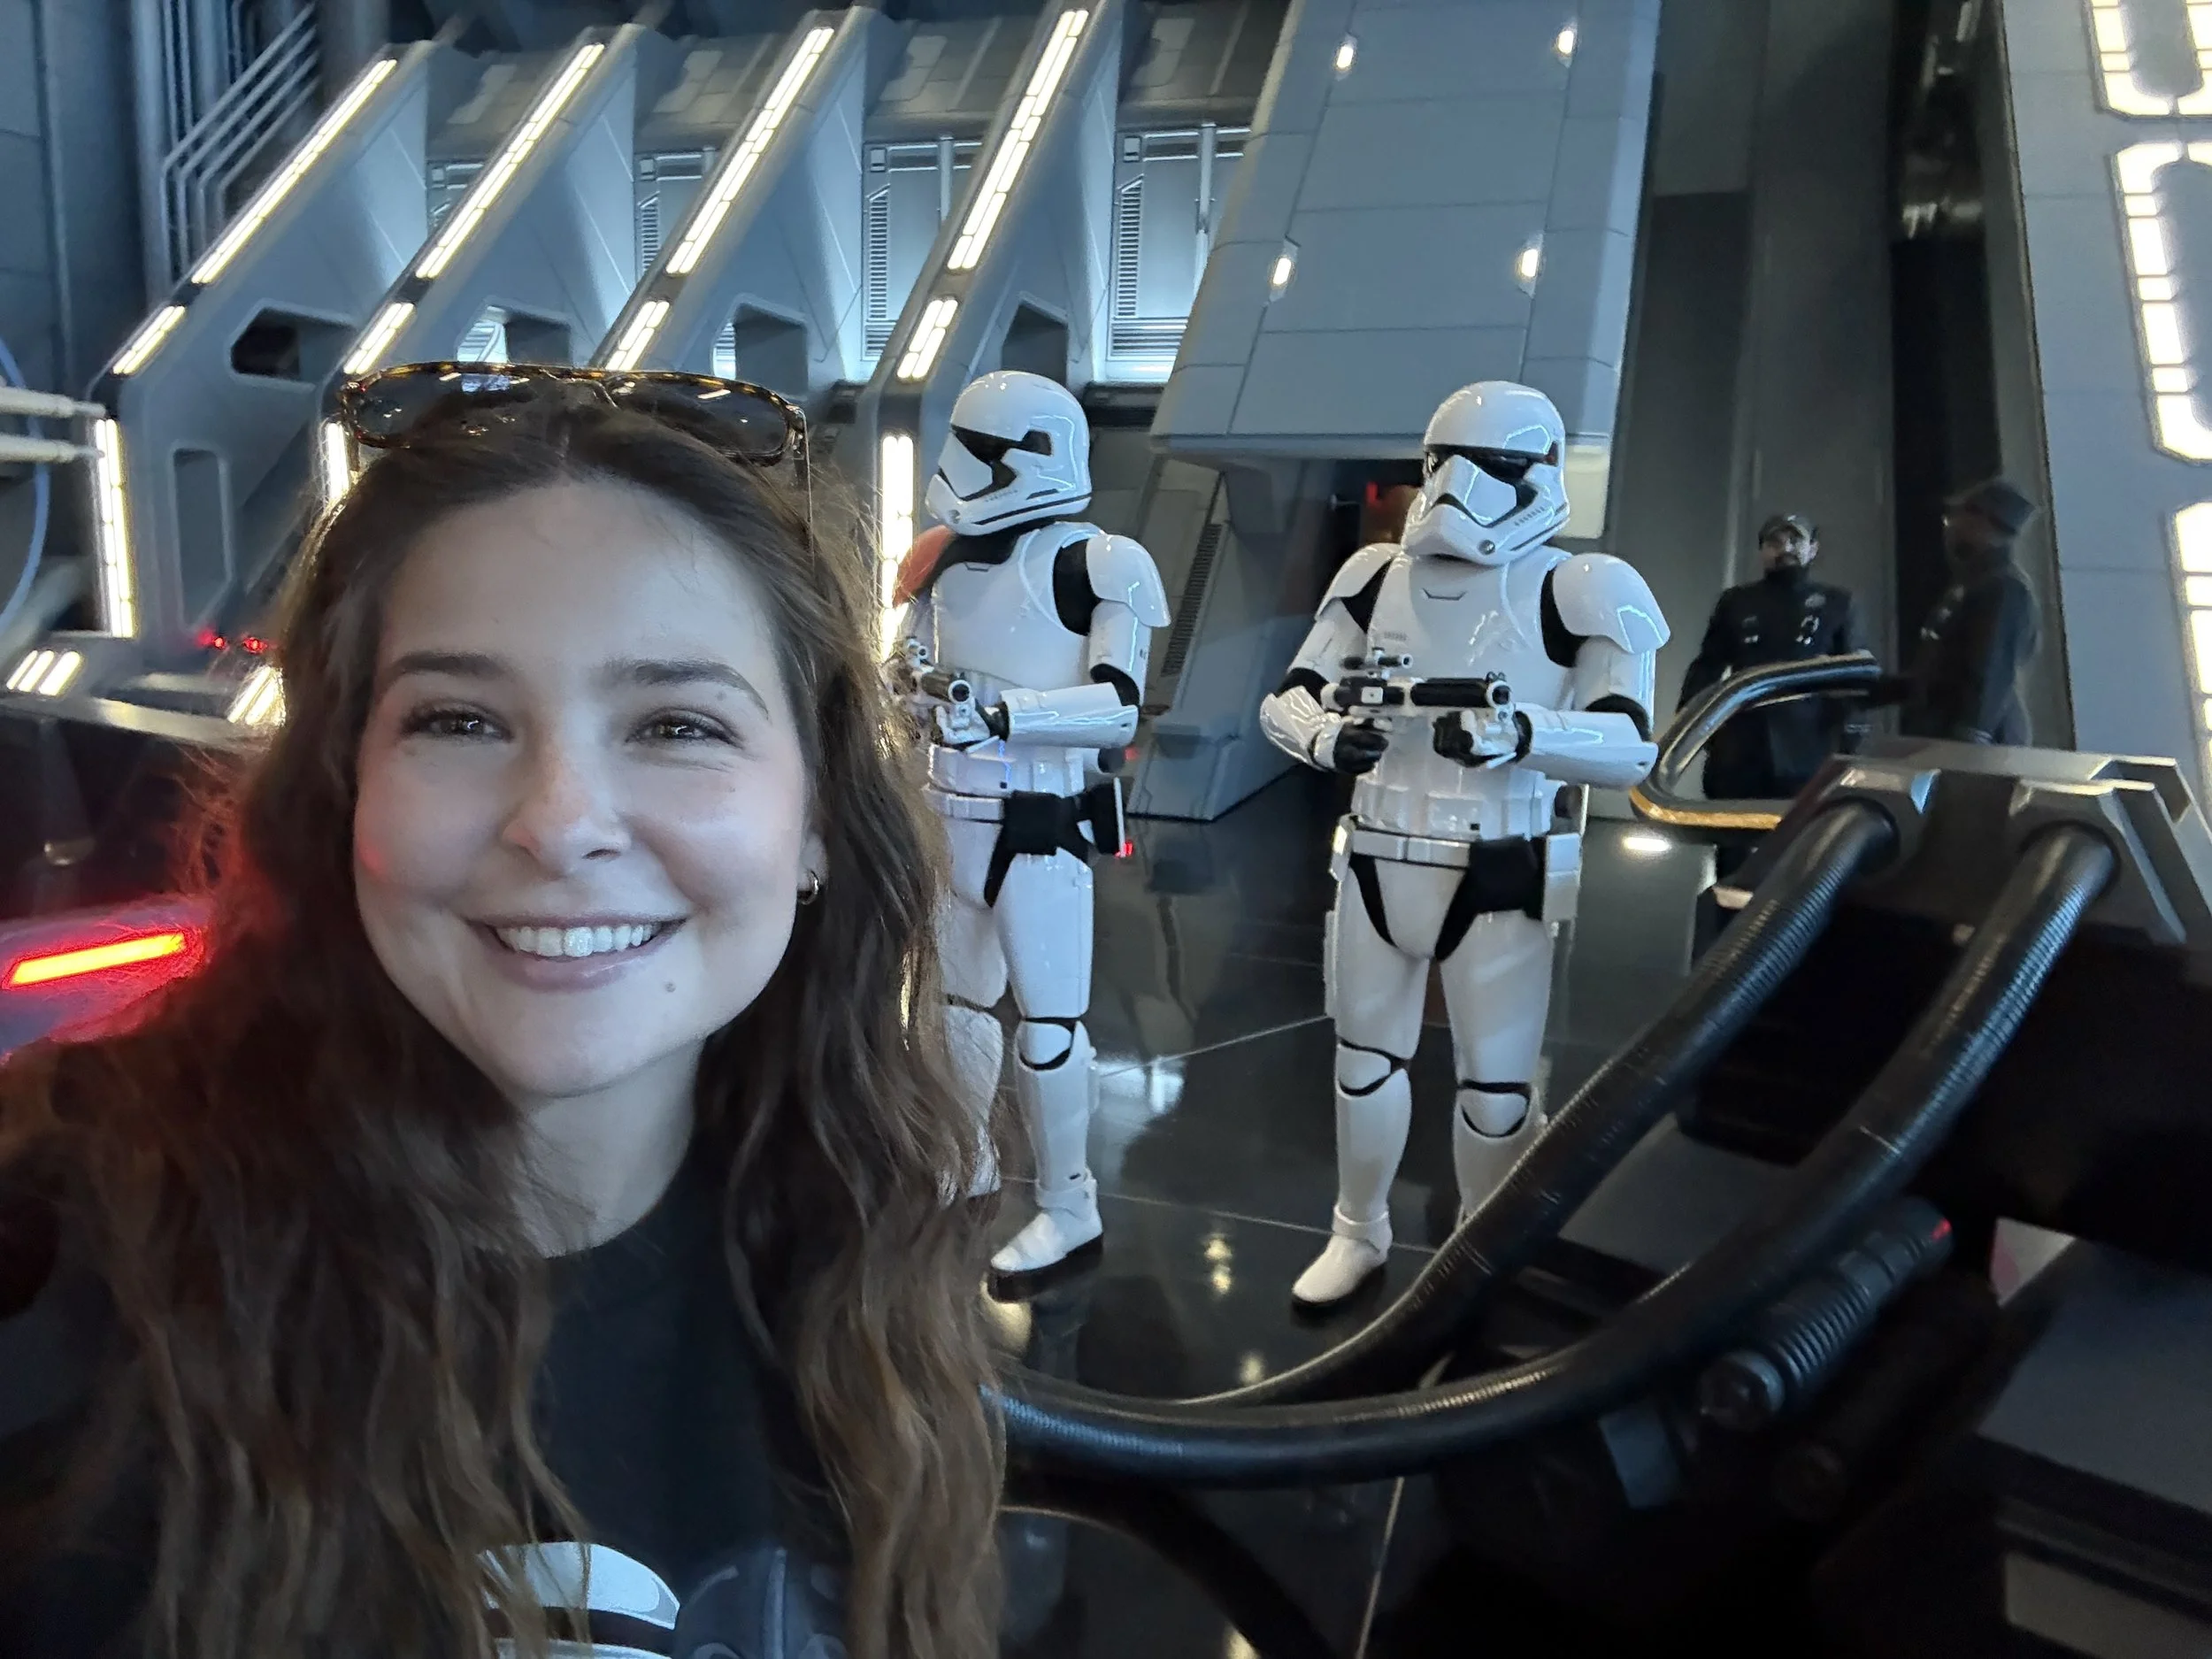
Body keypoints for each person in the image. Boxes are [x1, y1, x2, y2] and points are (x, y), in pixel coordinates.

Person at [0, 370, 1001, 1659]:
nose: (560, 820)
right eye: (460, 718)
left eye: (677, 721)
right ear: (342, 787)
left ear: (812, 818)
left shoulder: (867, 1243)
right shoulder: (68, 1244)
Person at [1258, 380, 1667, 1308]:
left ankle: (1480, 1257)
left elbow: (1631, 743)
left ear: (1537, 476)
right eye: (1441, 465)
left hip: (1500, 858)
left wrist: (1523, 732)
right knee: (1362, 1060)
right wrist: (1326, 736)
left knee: (1495, 1086)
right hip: (1374, 846)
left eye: (1491, 468)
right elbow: (1286, 696)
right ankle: (1357, 1228)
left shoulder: (1585, 586)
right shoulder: (1369, 577)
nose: (1456, 490)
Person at [890, 371, 1167, 1284]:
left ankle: (1069, 1202)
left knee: (1049, 1026)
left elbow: (1118, 707)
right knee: (956, 1009)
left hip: (1038, 818)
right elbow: (909, 659)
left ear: (1032, 458)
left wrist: (1006, 716)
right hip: (948, 807)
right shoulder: (942, 557)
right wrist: (911, 688)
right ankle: (959, 1157)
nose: (953, 471)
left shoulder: (1101, 564)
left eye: (977, 451)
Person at [1678, 513, 1867, 801]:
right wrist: (1700, 729)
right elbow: (1707, 668)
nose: (1785, 549)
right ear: (1762, 552)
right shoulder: (1736, 602)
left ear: (1813, 548)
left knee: (1800, 837)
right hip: (1742, 743)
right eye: (1774, 542)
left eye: (1795, 540)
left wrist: (1849, 740)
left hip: (1809, 744)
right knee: (1732, 836)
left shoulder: (1837, 603)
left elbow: (1852, 676)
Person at [1901, 477, 2041, 745]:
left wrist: (1973, 737)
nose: (1949, 528)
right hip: (1945, 733)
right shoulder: (1971, 584)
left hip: (1979, 743)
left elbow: (1991, 670)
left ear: (1984, 521)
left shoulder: (2004, 589)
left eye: (1954, 518)